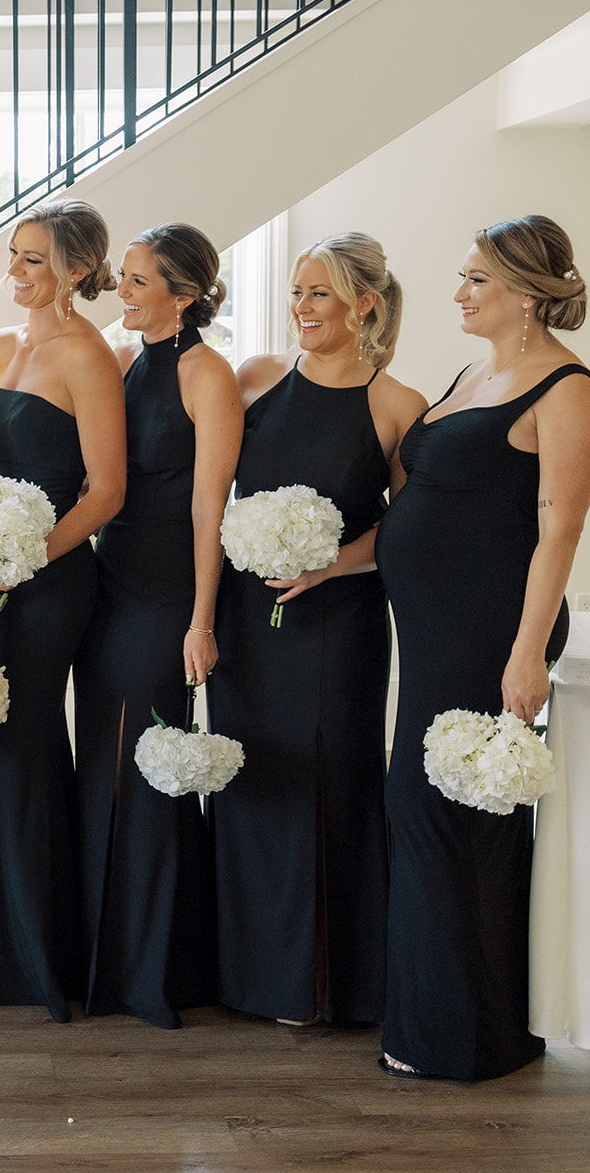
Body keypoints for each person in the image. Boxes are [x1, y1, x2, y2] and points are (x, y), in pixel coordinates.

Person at [376, 215, 590, 1080]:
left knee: (459, 817)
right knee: (419, 808)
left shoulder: (568, 391)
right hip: (432, 627)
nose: (460, 293)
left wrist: (526, 654)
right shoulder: (476, 370)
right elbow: (429, 498)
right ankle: (430, 1019)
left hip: (490, 631)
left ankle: (472, 1037)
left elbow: (559, 536)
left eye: (477, 279)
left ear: (526, 291)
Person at [207, 232, 426, 1026]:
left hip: (341, 626)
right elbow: (207, 496)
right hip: (248, 624)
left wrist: (329, 565)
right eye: (297, 292)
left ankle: (323, 984)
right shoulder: (256, 378)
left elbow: (408, 529)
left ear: (364, 302)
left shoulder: (400, 406)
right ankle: (246, 977)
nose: (301, 308)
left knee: (327, 788)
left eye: (320, 294)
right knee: (252, 783)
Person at [74, 222, 239, 1026]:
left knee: (149, 767)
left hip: (172, 592)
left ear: (184, 293)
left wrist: (202, 619)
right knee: (100, 758)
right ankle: (104, 958)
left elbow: (213, 506)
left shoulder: (208, 374)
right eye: (124, 278)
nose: (122, 292)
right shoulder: (124, 361)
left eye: (138, 281)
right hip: (110, 581)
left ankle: (159, 970)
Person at [0, 199, 126, 1021]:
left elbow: (106, 490)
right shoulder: (9, 344)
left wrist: (26, 560)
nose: (19, 270)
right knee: (7, 749)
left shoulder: (86, 355)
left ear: (75, 270)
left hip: (55, 579)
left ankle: (42, 965)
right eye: (16, 254)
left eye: (36, 259)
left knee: (25, 746)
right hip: (1, 571)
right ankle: (17, 948)